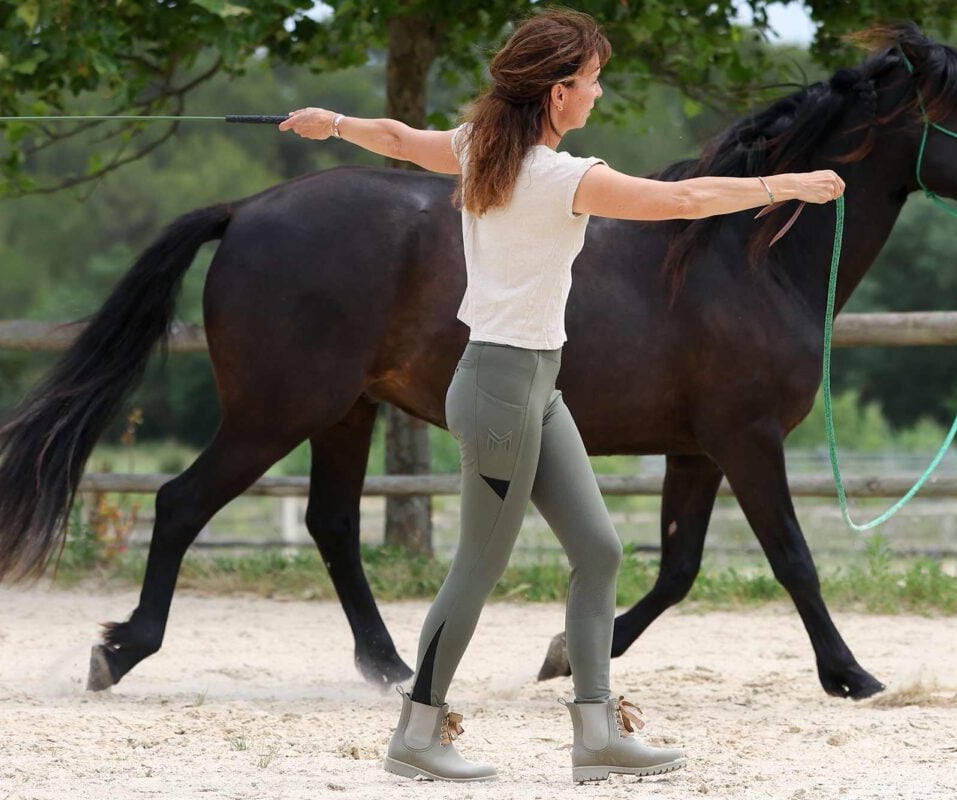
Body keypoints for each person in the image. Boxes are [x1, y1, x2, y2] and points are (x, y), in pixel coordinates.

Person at [278, 6, 844, 784]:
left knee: (600, 551)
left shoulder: (481, 149)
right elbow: (680, 202)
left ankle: (595, 732)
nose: (598, 95)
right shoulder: (555, 178)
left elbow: (398, 140)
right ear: (555, 96)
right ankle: (416, 733)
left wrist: (330, 120)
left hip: (535, 384)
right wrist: (786, 185)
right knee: (476, 568)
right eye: (591, 81)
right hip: (502, 388)